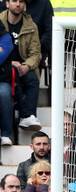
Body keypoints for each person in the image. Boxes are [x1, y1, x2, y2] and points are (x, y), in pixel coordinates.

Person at [1, 0, 42, 131]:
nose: (17, 4)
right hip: (3, 66)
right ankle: (24, 114)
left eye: (21, 1)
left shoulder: (31, 25)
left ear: (24, 5)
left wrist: (27, 66)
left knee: (32, 78)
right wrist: (10, 63)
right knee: (13, 73)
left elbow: (36, 53)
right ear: (7, 4)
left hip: (24, 64)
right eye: (14, 1)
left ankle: (29, 116)